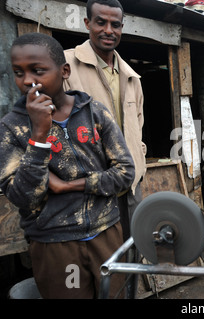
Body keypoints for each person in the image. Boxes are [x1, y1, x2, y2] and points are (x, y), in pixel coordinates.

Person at [0, 33, 135, 298]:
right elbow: (23, 198)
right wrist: (39, 137)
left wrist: (69, 185)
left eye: (37, 71)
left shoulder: (94, 112)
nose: (27, 81)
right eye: (18, 72)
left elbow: (125, 172)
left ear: (64, 71)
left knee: (116, 295)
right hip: (55, 244)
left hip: (105, 233)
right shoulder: (11, 128)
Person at [64, 0, 146, 240]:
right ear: (88, 23)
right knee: (101, 261)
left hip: (130, 187)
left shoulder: (132, 77)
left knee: (134, 253)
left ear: (122, 27)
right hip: (90, 189)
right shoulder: (66, 66)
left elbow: (138, 128)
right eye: (101, 22)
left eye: (115, 24)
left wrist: (138, 163)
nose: (109, 30)